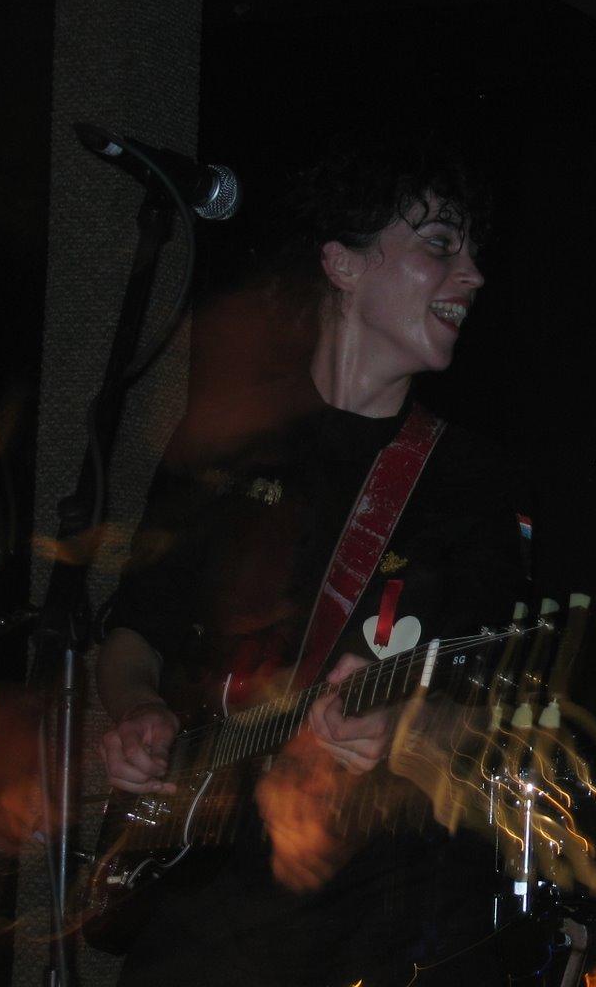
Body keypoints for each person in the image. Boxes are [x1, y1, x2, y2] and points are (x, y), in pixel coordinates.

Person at [95, 132, 524, 986]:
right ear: (342, 263)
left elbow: (489, 708)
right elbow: (134, 632)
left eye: (473, 251)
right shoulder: (228, 441)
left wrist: (399, 724)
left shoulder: (470, 483)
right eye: (440, 246)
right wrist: (137, 714)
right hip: (200, 901)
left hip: (371, 911)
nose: (471, 275)